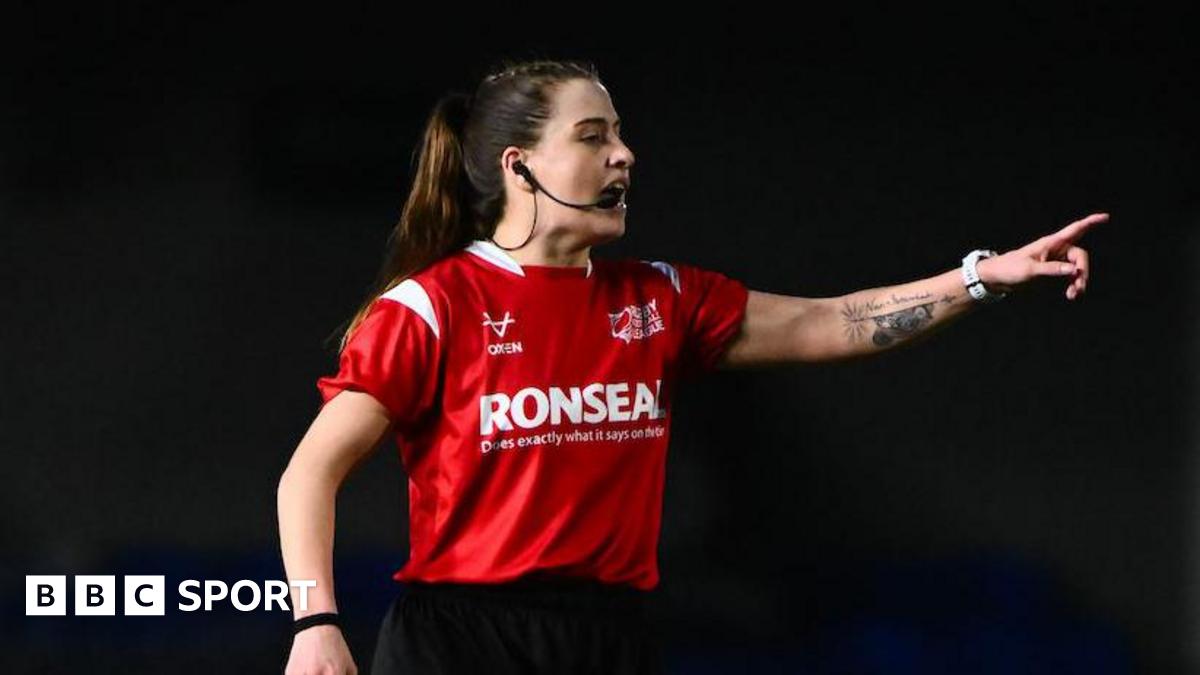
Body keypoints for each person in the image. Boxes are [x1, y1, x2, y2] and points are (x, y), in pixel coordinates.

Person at [276, 58, 1103, 675]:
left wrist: (975, 278)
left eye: (621, 135)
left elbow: (832, 322)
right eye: (593, 138)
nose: (625, 156)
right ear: (517, 166)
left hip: (611, 638)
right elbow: (309, 474)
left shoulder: (664, 299)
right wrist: (316, 621)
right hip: (461, 642)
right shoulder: (433, 307)